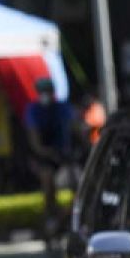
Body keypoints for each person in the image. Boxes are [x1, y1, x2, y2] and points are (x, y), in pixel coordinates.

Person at [23, 77, 75, 240]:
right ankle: (51, 219)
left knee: (79, 186)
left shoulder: (62, 108)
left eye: (48, 92)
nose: (46, 95)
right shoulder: (34, 110)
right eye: (42, 92)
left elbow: (75, 127)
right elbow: (35, 141)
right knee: (48, 184)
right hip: (44, 156)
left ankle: (65, 218)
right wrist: (48, 153)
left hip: (65, 155)